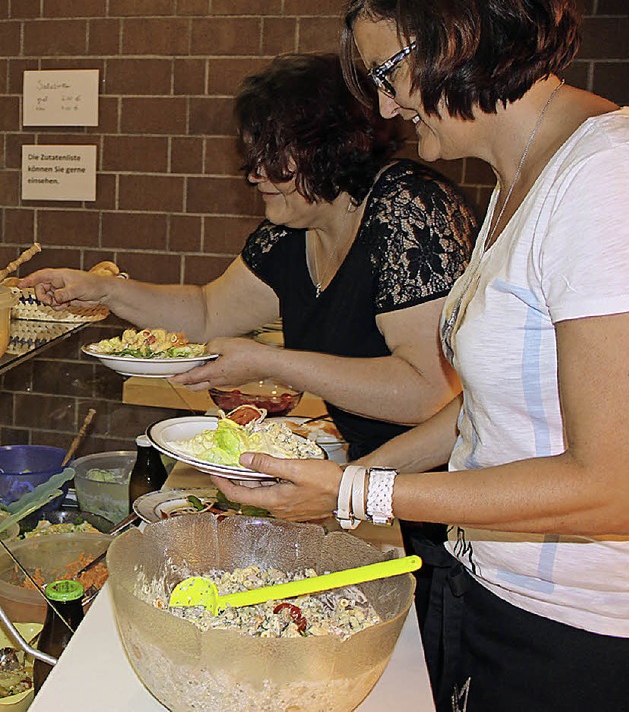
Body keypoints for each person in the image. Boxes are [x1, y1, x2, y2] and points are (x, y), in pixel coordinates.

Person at [207, 0, 629, 711]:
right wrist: (349, 489)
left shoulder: (607, 180)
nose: (384, 108)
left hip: (581, 629)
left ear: (458, 38)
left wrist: (366, 496)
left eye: (385, 73)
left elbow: (614, 486)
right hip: (493, 589)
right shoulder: (519, 184)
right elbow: (480, 412)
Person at [22, 52, 476, 463]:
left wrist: (269, 362)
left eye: (274, 156)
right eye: (254, 154)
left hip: (441, 482)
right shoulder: (291, 229)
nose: (255, 174)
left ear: (333, 151)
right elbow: (206, 313)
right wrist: (105, 289)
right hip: (366, 470)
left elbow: (427, 392)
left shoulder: (410, 212)